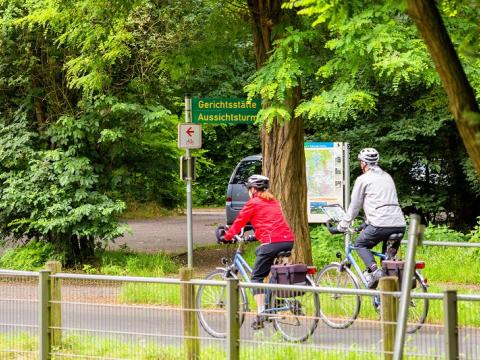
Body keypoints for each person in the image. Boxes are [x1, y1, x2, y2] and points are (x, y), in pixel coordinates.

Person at [216, 174, 295, 329]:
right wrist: (255, 236)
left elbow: (239, 222)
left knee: (256, 277)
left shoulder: (253, 202)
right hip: (287, 240)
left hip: (272, 242)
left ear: (252, 189)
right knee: (269, 268)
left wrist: (226, 236)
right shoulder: (273, 201)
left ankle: (261, 312)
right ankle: (273, 301)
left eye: (248, 189)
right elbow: (269, 222)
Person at [332, 148, 406, 289]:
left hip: (380, 224)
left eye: (361, 162)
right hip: (399, 224)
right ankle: (383, 301)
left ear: (363, 163)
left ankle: (374, 271)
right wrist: (366, 223)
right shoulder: (387, 177)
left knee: (360, 245)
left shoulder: (363, 179)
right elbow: (383, 202)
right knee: (388, 262)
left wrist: (341, 226)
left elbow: (354, 207)